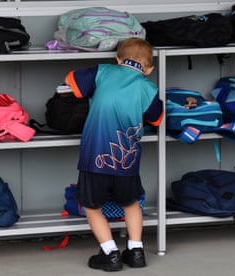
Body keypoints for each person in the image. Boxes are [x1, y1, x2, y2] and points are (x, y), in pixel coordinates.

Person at [64, 37, 164, 272]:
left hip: (93, 158)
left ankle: (110, 253)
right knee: (131, 204)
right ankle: (136, 251)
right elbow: (157, 119)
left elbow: (71, 80)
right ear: (149, 69)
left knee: (91, 206)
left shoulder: (103, 71)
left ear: (118, 59)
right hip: (127, 160)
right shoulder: (148, 86)